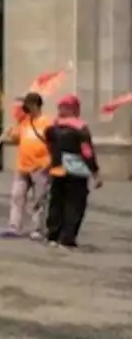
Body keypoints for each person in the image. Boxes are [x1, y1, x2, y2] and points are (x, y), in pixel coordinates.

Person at [44, 94, 102, 249]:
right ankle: (67, 237)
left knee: (56, 201)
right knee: (74, 204)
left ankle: (53, 235)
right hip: (76, 171)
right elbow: (86, 151)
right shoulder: (80, 127)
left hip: (57, 169)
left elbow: (49, 146)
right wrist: (95, 172)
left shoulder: (52, 127)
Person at [0, 93, 52, 239]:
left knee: (39, 199)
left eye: (28, 106)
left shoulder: (47, 123)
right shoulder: (24, 122)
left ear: (36, 105)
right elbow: (17, 138)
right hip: (22, 166)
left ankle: (38, 228)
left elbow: (53, 143)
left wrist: (49, 163)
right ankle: (14, 225)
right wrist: (10, 132)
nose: (26, 110)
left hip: (40, 166)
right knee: (17, 196)